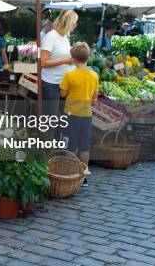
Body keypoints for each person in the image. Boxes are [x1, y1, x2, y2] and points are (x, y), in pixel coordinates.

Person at [60, 42, 99, 187]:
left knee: (69, 145)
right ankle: (83, 176)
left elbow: (63, 94)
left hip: (71, 114)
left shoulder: (69, 75)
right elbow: (95, 97)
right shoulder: (94, 75)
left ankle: (69, 174)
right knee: (84, 147)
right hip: (86, 115)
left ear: (73, 59)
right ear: (87, 57)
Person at [41, 10, 78, 122]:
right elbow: (43, 63)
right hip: (52, 84)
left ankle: (59, 137)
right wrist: (65, 60)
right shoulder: (51, 36)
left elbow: (61, 56)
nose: (75, 26)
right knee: (50, 117)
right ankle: (46, 138)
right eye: (74, 23)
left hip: (64, 83)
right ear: (68, 23)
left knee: (64, 115)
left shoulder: (65, 37)